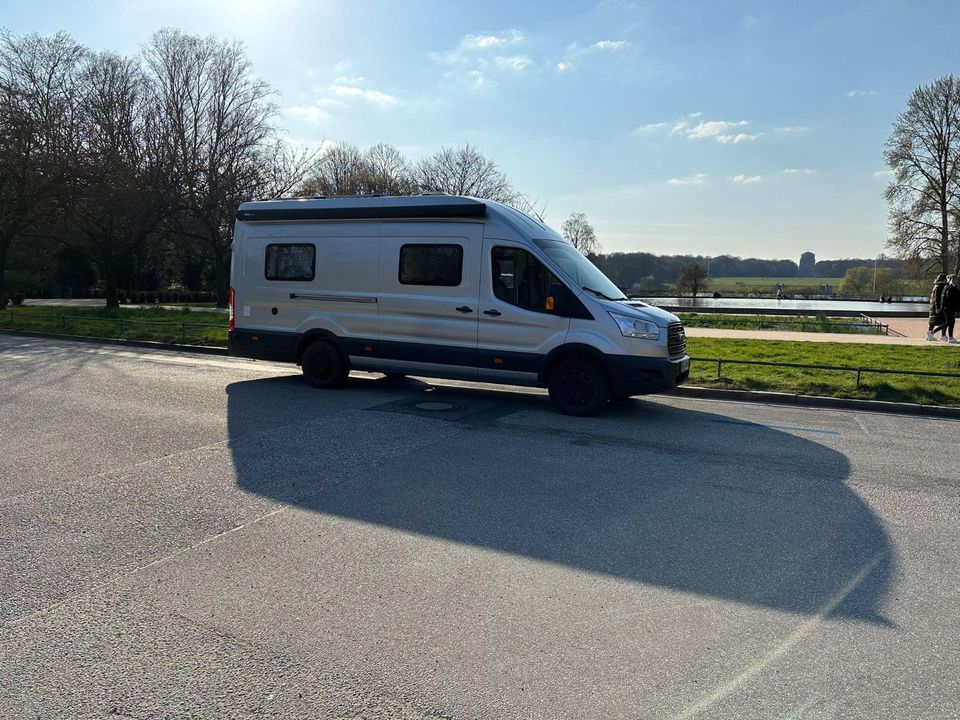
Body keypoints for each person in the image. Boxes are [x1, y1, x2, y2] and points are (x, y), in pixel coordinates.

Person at [927, 273, 948, 341]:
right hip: (937, 307)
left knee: (933, 321)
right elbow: (937, 298)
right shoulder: (940, 287)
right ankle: (943, 335)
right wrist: (938, 307)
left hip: (933, 307)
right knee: (944, 321)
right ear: (944, 279)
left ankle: (929, 334)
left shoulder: (936, 286)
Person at [941, 274, 960, 344]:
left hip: (948, 308)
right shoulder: (951, 287)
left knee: (950, 322)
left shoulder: (948, 287)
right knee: (950, 322)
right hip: (949, 308)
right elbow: (951, 298)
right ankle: (933, 332)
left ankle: (950, 337)